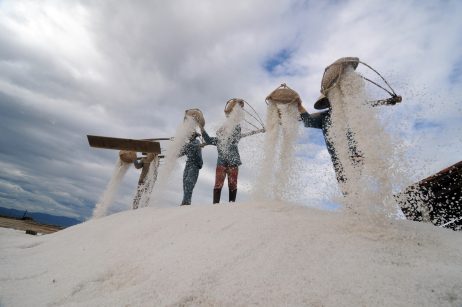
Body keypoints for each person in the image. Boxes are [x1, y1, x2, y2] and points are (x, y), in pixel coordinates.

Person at [201, 111, 264, 204]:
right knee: (218, 184)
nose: (222, 132)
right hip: (221, 164)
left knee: (232, 184)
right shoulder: (218, 140)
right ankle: (215, 204)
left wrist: (233, 119)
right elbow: (208, 139)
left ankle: (232, 203)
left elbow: (237, 129)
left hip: (233, 163)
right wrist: (202, 129)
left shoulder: (234, 138)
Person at [178, 131, 203, 206]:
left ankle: (186, 202)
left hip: (195, 164)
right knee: (185, 182)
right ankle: (185, 200)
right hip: (188, 164)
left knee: (189, 182)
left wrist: (183, 143)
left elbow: (193, 146)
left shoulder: (196, 142)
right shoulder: (188, 144)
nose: (189, 136)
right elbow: (180, 153)